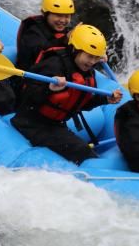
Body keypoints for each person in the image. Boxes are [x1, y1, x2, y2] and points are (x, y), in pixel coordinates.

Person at [11, 24, 123, 164]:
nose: (92, 62)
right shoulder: (53, 65)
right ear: (75, 50)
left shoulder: (86, 71)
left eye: (96, 58)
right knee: (84, 154)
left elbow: (80, 103)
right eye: (89, 56)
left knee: (86, 152)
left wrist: (105, 99)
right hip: (31, 123)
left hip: (55, 124)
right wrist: (49, 89)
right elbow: (26, 95)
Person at [15, 0, 75, 71]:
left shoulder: (63, 31)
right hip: (29, 77)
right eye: (58, 15)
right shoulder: (33, 31)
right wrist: (64, 40)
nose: (63, 20)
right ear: (45, 14)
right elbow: (40, 51)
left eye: (67, 16)